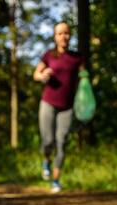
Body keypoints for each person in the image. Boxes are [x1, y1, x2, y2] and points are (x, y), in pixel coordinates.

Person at [33, 22, 85, 192]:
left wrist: (86, 86)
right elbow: (36, 74)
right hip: (48, 102)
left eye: (67, 33)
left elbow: (83, 76)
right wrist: (43, 75)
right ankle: (46, 160)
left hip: (67, 107)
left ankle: (55, 180)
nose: (64, 36)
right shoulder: (49, 56)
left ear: (70, 35)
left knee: (62, 141)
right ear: (55, 37)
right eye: (60, 33)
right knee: (48, 141)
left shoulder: (77, 57)